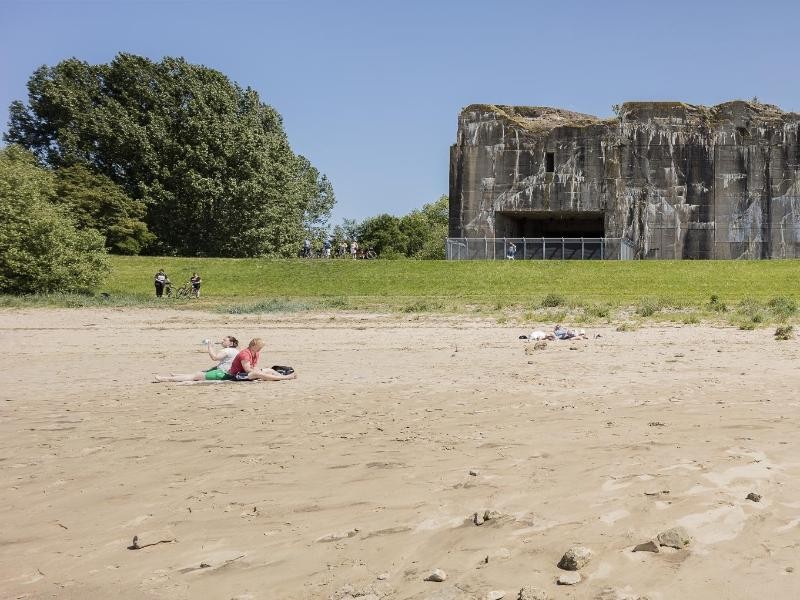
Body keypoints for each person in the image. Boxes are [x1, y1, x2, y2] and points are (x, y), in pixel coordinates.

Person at [155, 336, 240, 382]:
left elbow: (214, 357)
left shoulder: (227, 350)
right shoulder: (235, 351)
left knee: (195, 376)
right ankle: (178, 375)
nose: (222, 341)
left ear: (231, 343)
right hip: (225, 372)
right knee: (199, 373)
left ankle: (166, 379)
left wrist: (210, 347)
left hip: (222, 373)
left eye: (224, 340)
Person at [225, 338, 297, 382]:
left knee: (269, 370)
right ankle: (286, 377)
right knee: (258, 374)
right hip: (237, 375)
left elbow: (254, 366)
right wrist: (260, 373)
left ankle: (282, 377)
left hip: (247, 373)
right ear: (253, 345)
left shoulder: (256, 353)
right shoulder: (245, 354)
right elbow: (247, 369)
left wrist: (260, 371)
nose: (260, 348)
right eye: (259, 346)